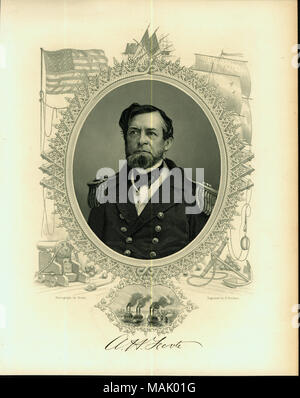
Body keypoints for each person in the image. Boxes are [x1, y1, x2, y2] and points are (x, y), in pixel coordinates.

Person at [87, 103, 217, 260]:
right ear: (125, 139)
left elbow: (201, 261)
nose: (141, 140)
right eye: (133, 132)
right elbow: (91, 254)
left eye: (151, 133)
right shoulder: (105, 191)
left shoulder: (194, 195)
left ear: (167, 143)